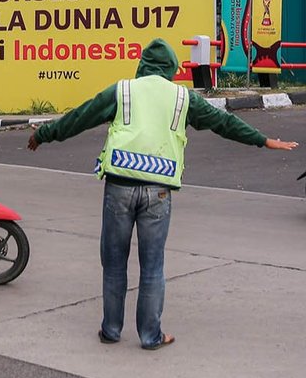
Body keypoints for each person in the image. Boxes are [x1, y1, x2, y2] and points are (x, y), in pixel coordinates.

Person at [27, 38, 298, 350]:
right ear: (171, 67)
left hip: (120, 186)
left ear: (142, 65)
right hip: (159, 191)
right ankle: (150, 336)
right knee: (152, 267)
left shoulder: (124, 90)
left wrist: (44, 134)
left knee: (114, 263)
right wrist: (262, 140)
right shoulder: (184, 98)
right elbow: (223, 122)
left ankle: (111, 330)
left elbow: (81, 117)